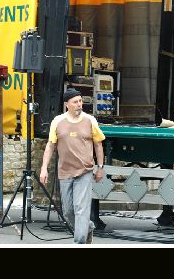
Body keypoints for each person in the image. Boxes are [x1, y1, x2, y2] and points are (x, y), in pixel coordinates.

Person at [40, 88, 106, 244]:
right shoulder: (57, 121)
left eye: (80, 101)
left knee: (81, 209)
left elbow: (98, 145)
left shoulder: (90, 120)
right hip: (65, 172)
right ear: (66, 104)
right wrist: (44, 168)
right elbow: (50, 146)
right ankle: (88, 227)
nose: (79, 104)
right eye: (75, 102)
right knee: (69, 212)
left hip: (85, 171)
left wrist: (100, 167)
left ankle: (79, 242)